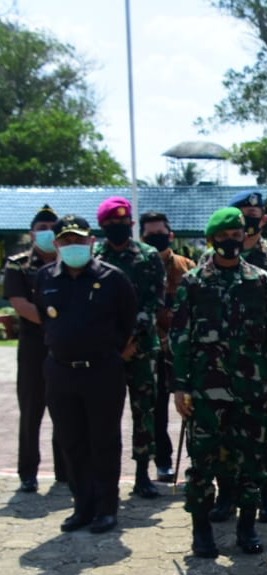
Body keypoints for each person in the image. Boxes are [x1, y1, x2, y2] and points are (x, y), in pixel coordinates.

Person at [169, 207, 267, 558]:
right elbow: (179, 338)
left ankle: (247, 528)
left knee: (252, 462)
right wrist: (180, 387)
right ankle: (201, 532)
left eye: (236, 234)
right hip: (206, 391)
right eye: (223, 236)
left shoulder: (259, 280)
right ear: (212, 240)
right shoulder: (194, 283)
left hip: (253, 389)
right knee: (203, 464)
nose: (231, 241)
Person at [36, 214, 137, 534]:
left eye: (79, 239)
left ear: (92, 241)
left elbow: (129, 321)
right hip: (61, 372)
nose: (73, 245)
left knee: (104, 442)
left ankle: (107, 509)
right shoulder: (45, 277)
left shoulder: (113, 278)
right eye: (66, 241)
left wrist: (111, 354)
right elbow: (45, 318)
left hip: (102, 372)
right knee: (71, 442)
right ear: (56, 245)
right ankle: (83, 506)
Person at [208, 189, 267, 524]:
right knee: (222, 432)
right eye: (243, 213)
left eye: (255, 213)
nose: (250, 218)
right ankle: (226, 494)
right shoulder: (211, 263)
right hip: (219, 365)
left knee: (266, 434)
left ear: (264, 218)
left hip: (261, 361)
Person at [93, 196, 167, 499]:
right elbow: (92, 307)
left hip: (141, 349)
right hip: (105, 351)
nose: (119, 228)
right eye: (112, 224)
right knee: (104, 414)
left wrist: (132, 339)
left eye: (123, 223)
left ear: (132, 224)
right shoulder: (94, 257)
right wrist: (114, 343)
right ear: (102, 226)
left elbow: (154, 302)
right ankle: (103, 475)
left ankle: (142, 475)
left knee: (144, 413)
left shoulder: (149, 257)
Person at [4, 204, 66, 492]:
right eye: (41, 228)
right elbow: (19, 303)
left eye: (52, 228)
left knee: (64, 409)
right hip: (33, 347)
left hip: (65, 346)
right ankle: (28, 471)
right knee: (31, 409)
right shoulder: (18, 264)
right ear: (32, 233)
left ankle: (65, 470)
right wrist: (55, 321)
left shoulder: (68, 262)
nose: (47, 233)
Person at [139, 210, 196, 484]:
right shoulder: (139, 265)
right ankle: (162, 463)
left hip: (184, 352)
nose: (157, 239)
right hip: (152, 351)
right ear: (141, 237)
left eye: (161, 233)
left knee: (191, 407)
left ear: (170, 235)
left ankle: (197, 465)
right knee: (156, 410)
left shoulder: (187, 266)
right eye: (150, 235)